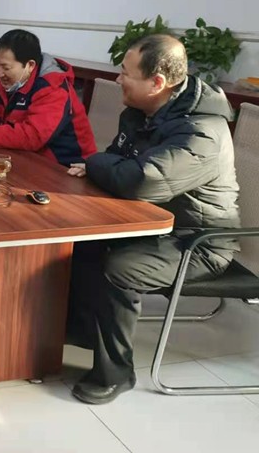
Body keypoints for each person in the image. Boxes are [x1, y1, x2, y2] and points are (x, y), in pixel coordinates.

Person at [65, 34, 240, 404]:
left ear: (157, 82)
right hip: (150, 222)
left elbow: (142, 180)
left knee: (120, 267)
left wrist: (95, 162)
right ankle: (79, 334)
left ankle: (115, 373)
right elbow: (120, 161)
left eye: (126, 73)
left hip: (199, 243)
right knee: (76, 243)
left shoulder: (202, 131)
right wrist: (107, 165)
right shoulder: (141, 112)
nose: (118, 79)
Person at [0, 29, 96, 166]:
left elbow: (32, 136)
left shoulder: (53, 88)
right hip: (26, 156)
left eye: (6, 68)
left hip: (66, 167)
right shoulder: (9, 82)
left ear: (30, 65)